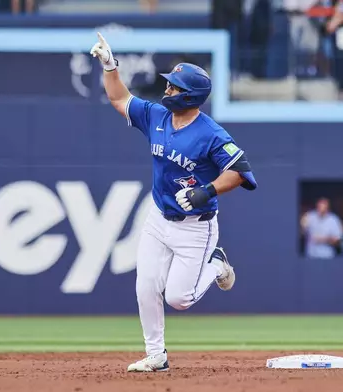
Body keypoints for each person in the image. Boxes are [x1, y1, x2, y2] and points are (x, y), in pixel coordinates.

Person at [90, 32, 258, 373]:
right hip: (159, 217)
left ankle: (218, 265)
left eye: (175, 87)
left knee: (179, 299)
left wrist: (206, 191)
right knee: (145, 286)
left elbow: (240, 171)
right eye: (169, 85)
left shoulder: (211, 133)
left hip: (196, 228)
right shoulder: (156, 116)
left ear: (191, 95)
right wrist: (110, 66)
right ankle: (157, 355)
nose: (167, 90)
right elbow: (120, 99)